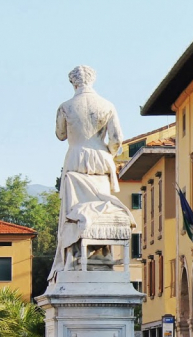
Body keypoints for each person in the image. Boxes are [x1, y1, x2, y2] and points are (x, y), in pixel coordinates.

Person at [48, 65, 136, 282]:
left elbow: (60, 134)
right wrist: (108, 154)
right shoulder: (107, 105)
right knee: (101, 206)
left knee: (73, 210)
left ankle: (74, 256)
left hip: (76, 158)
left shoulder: (66, 107)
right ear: (93, 80)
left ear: (73, 82)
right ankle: (101, 256)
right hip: (100, 160)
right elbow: (117, 139)